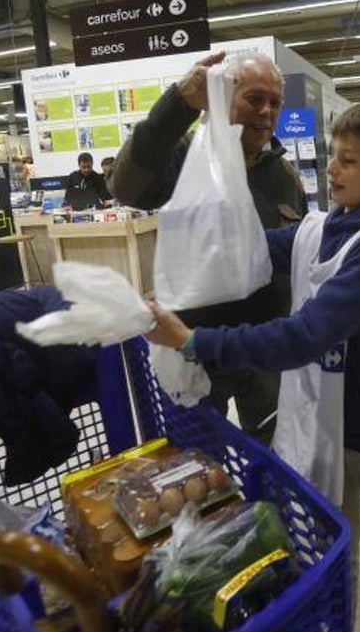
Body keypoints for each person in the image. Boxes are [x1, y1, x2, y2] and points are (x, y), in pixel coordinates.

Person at [146, 100, 360, 632]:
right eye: (335, 156)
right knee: (331, 548)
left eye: (349, 161)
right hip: (325, 429)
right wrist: (188, 244)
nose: (332, 169)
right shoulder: (321, 228)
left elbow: (302, 336)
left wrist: (194, 342)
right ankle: (337, 624)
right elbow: (253, 250)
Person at [112, 51, 307, 443]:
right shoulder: (186, 155)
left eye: (275, 102)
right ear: (221, 94)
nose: (267, 111)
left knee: (276, 456)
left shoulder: (283, 172)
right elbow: (126, 187)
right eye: (254, 98)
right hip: (195, 349)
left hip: (264, 351)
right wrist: (177, 105)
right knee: (198, 462)